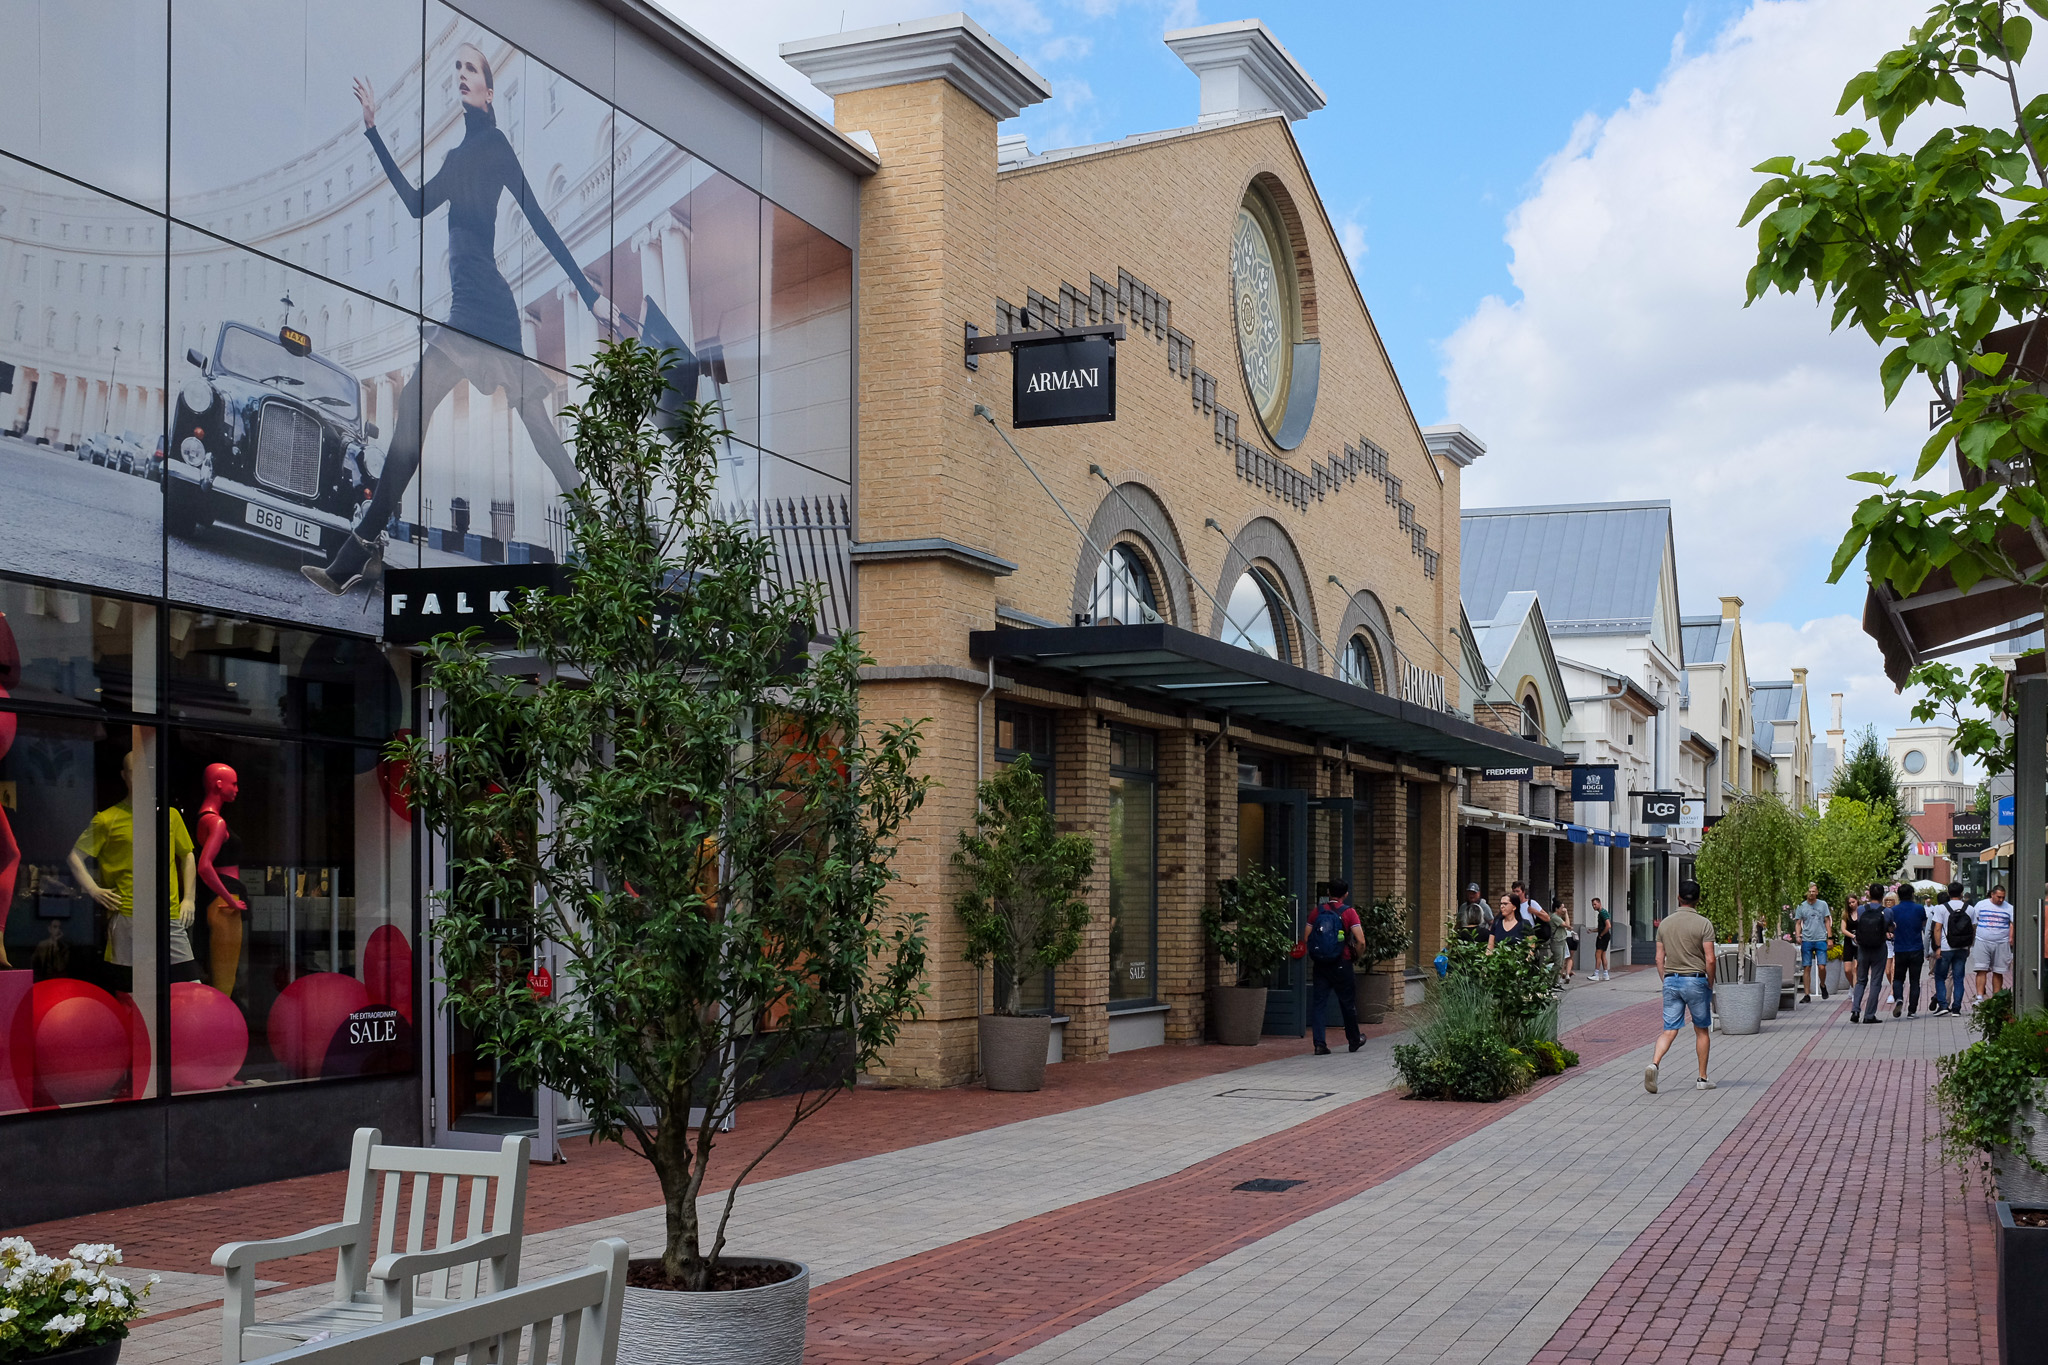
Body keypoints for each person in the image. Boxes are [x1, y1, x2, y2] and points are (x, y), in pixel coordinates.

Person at [305, 44, 620, 595]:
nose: (461, 75)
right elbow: (413, 203)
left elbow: (539, 219)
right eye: (458, 68)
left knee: (528, 421)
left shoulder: (496, 146)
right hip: (466, 309)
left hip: (489, 310)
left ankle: (599, 541)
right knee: (428, 409)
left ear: (489, 91)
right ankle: (358, 552)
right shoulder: (454, 161)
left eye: (471, 68)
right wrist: (373, 130)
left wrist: (588, 293)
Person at [67, 750, 200, 992]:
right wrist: (93, 889)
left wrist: (189, 898)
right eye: (133, 772)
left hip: (167, 915)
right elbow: (75, 856)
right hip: (127, 914)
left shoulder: (169, 816)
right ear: (124, 775)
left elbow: (187, 855)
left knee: (190, 986)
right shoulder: (107, 819)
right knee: (129, 990)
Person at [1645, 880, 1716, 1093]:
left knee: (1669, 1030)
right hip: (1695, 980)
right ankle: (1702, 1078)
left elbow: (1659, 958)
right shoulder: (1704, 924)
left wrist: (1665, 979)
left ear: (1679, 898)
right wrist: (1709, 983)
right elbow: (1710, 959)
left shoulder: (1665, 924)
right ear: (1698, 899)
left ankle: (1654, 1063)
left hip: (1671, 980)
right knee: (1701, 1030)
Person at [1298, 878, 1364, 1055]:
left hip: (1321, 965)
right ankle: (1354, 1040)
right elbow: (1361, 941)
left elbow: (1306, 937)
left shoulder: (1317, 911)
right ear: (1346, 894)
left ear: (1328, 893)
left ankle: (1319, 1044)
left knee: (1319, 1004)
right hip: (1342, 963)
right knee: (1347, 1003)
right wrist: (1355, 956)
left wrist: (1319, 952)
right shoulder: (1349, 912)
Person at [1888, 883, 1929, 1019]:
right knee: (1914, 981)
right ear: (1912, 894)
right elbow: (1923, 924)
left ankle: (1899, 998)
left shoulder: (1894, 910)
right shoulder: (1919, 908)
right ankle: (1912, 1011)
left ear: (1898, 895)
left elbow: (1891, 927)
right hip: (1916, 948)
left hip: (1900, 948)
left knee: (1898, 978)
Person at [1850, 892, 1891, 1023]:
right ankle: (1869, 1015)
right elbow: (1890, 928)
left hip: (1863, 948)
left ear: (1869, 896)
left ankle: (1855, 1010)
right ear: (1882, 896)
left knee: (1861, 980)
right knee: (1875, 982)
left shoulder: (1861, 909)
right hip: (1879, 948)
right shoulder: (1887, 911)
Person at [1970, 884, 2015, 1001]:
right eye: (1999, 897)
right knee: (1981, 969)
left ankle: (1996, 997)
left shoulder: (2009, 908)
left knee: (1998, 971)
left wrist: (2011, 937)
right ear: (1992, 894)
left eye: (2003, 897)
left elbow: (2013, 923)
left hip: (2002, 942)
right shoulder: (1981, 905)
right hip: (1982, 941)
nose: (2001, 900)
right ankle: (1979, 996)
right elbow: (1974, 921)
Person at [1790, 882, 1832, 1003]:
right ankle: (1807, 994)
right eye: (1810, 891)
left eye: (1814, 891)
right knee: (1807, 967)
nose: (1811, 893)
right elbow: (1798, 922)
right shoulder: (1801, 906)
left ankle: (1822, 984)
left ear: (1817, 892)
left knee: (1822, 966)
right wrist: (1798, 935)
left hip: (1820, 938)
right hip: (1807, 939)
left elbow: (1827, 921)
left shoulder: (1823, 904)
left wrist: (1830, 937)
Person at [1938, 884, 1975, 1016]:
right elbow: (1973, 929)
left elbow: (1937, 929)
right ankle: (1956, 1008)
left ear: (1948, 893)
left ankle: (1943, 1005)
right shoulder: (1969, 909)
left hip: (1945, 947)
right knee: (1959, 978)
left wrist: (1937, 947)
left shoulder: (1941, 908)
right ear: (1962, 893)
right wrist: (1969, 946)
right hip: (1962, 947)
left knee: (1940, 977)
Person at [1556, 900, 1578, 982]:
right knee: (1569, 958)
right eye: (1562, 907)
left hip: (1566, 938)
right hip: (1571, 937)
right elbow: (1568, 926)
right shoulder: (1557, 918)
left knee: (1563, 958)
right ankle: (1567, 974)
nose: (1563, 909)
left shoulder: (1557, 917)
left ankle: (1562, 975)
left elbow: (1567, 925)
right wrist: (1566, 914)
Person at [1592, 897, 1611, 980]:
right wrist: (1592, 930)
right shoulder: (1602, 913)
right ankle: (1605, 974)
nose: (1594, 906)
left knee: (1598, 954)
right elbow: (1601, 927)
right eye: (1593, 905)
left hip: (1603, 936)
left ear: (1599, 903)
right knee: (1603, 955)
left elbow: (1608, 925)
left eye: (1595, 904)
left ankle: (1596, 974)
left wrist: (1601, 935)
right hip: (1605, 936)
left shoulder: (1602, 913)